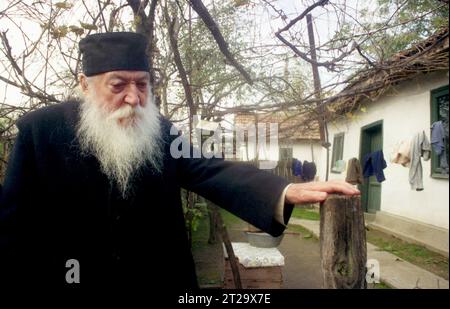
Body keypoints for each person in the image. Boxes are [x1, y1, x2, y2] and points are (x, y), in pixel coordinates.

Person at [0, 32, 359, 288]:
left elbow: (208, 170)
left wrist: (284, 190)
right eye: (118, 85)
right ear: (84, 84)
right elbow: (12, 226)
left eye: (142, 85)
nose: (133, 97)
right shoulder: (39, 132)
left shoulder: (159, 131)